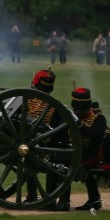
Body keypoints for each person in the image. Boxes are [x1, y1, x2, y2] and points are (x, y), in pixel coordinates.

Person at [71, 87, 110, 211]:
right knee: (85, 166)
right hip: (109, 166)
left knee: (85, 169)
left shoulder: (99, 126)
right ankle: (94, 199)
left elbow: (92, 142)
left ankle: (94, 200)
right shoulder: (96, 121)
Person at [23, 69, 71, 211]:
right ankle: (41, 197)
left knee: (52, 163)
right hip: (46, 146)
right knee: (32, 161)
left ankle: (43, 198)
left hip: (49, 148)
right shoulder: (56, 105)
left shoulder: (28, 102)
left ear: (36, 83)